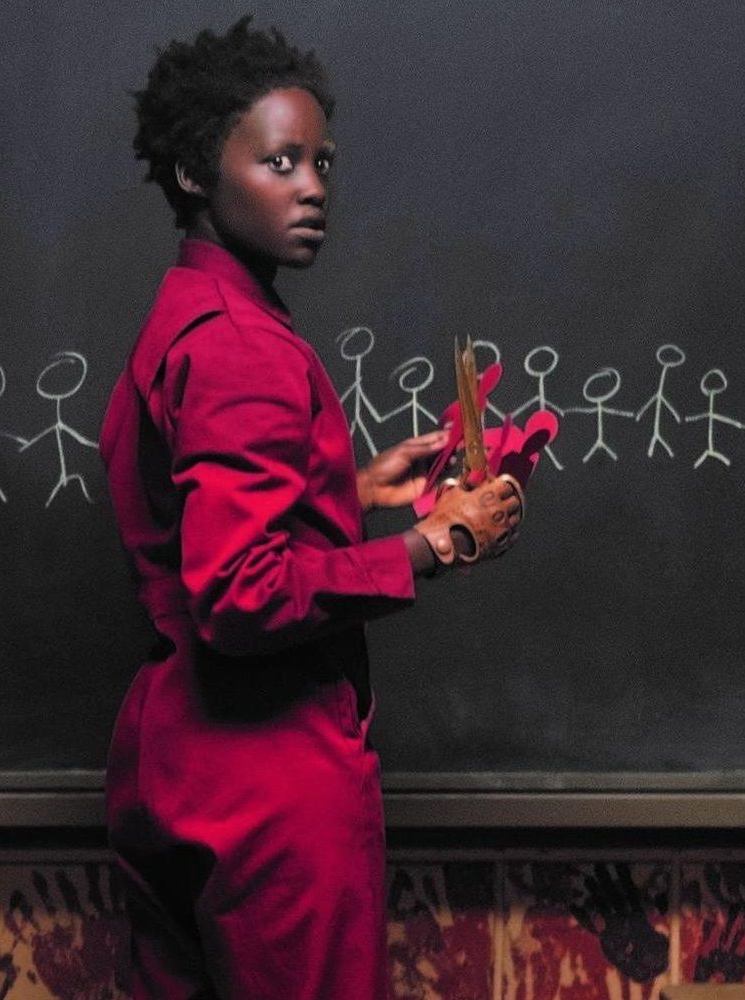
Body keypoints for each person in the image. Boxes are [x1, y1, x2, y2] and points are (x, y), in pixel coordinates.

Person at [97, 18, 524, 998]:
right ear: (195, 173)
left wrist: (352, 485)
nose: (313, 187)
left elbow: (184, 500)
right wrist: (430, 539)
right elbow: (239, 594)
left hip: (172, 766)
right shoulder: (241, 345)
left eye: (320, 161)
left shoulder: (185, 319)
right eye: (278, 161)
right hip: (264, 783)